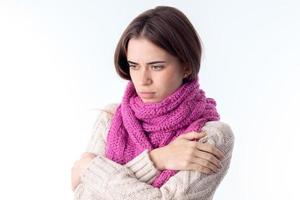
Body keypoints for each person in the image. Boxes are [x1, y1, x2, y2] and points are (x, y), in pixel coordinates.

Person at [71, 5, 234, 200]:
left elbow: (90, 185)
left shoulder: (211, 135)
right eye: (134, 66)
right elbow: (83, 195)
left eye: (156, 66)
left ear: (187, 67)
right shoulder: (111, 118)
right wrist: (158, 159)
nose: (143, 80)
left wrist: (91, 168)